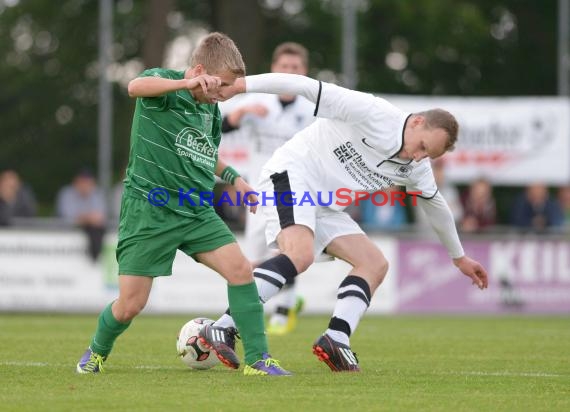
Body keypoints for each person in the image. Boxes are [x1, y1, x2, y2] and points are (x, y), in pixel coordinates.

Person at [208, 72, 489, 372]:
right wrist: (241, 85)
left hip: (325, 206)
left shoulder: (416, 166)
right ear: (417, 121)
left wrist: (458, 257)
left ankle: (335, 338)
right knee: (299, 255)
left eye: (427, 156)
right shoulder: (371, 112)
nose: (418, 157)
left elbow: (436, 206)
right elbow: (303, 85)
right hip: (292, 174)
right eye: (421, 146)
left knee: (374, 264)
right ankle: (224, 326)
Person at [75, 32, 290, 376]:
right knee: (131, 305)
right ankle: (96, 351)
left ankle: (258, 360)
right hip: (149, 208)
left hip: (195, 210)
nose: (223, 95)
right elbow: (134, 87)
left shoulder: (212, 110)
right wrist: (184, 85)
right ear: (200, 71)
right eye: (220, 86)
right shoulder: (164, 86)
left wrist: (237, 179)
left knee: (241, 270)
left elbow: (206, 154)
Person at [221, 42, 314, 335]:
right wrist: (239, 114)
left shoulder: (312, 108)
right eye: (284, 67)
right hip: (259, 191)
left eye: (295, 68)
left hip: (296, 190)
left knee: (289, 248)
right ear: (274, 69)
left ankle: (283, 309)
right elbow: (221, 127)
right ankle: (276, 302)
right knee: (257, 255)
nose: (289, 72)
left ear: (305, 72)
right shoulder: (255, 101)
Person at [56, 169, 106, 261]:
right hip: (65, 237)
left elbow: (99, 217)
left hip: (90, 231)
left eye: (88, 183)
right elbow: (68, 217)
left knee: (97, 231)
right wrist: (88, 218)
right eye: (83, 182)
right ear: (76, 182)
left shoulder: (96, 193)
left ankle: (95, 256)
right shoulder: (67, 193)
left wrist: (84, 218)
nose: (85, 185)